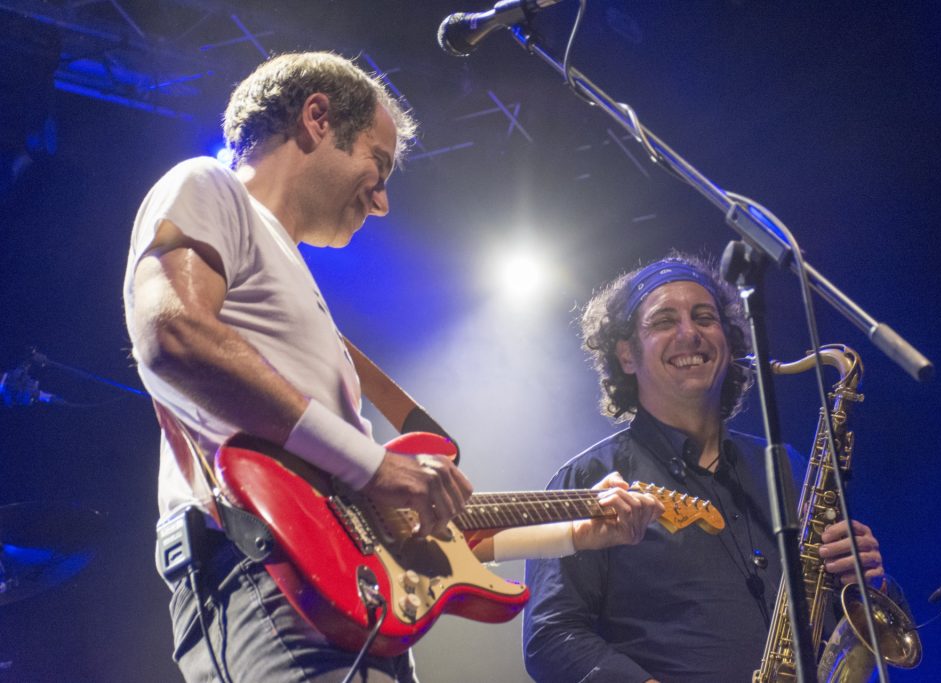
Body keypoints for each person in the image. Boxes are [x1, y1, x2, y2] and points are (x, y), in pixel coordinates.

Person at [123, 51, 661, 683]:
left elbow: (402, 519)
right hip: (264, 574)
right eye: (377, 166)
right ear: (317, 119)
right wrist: (376, 466)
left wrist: (577, 531)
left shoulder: (297, 288)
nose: (381, 202)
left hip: (351, 604)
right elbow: (172, 334)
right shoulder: (207, 185)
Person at [522, 252, 899, 683]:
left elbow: (840, 622)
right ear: (626, 355)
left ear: (729, 343)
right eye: (664, 321)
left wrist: (865, 583)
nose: (690, 334)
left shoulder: (786, 467)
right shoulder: (586, 479)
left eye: (705, 318)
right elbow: (551, 637)